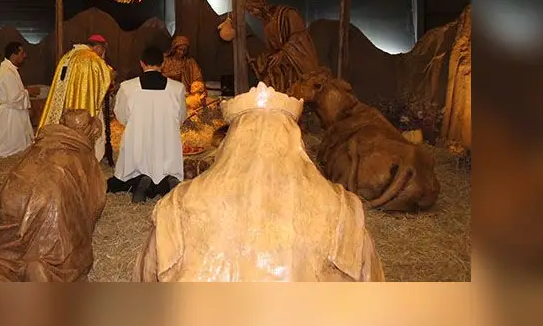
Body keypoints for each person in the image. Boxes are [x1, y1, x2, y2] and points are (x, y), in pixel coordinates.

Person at [133, 82, 385, 282]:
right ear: (295, 141)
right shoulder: (342, 211)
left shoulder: (178, 206)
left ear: (230, 141)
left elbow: (146, 287)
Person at [0, 109, 106, 282]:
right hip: (49, 198)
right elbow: (95, 202)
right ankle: (42, 268)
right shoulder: (83, 155)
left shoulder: (41, 143)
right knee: (52, 251)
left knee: (6, 246)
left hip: (14, 189)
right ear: (90, 132)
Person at [109, 46, 187, 203]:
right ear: (162, 64)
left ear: (142, 63)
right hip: (166, 145)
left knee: (122, 178)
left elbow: (121, 115)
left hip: (137, 143)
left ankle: (139, 181)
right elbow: (181, 117)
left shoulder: (127, 87)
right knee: (165, 170)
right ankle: (168, 180)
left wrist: (137, 124)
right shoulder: (177, 88)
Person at [36, 34, 114, 161]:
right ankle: (90, 159)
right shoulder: (91, 58)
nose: (102, 54)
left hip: (65, 103)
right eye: (103, 50)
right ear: (98, 47)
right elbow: (106, 75)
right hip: (84, 105)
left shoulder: (68, 56)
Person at [162, 35, 207, 111]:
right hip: (166, 93)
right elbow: (156, 76)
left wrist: (197, 85)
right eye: (180, 49)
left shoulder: (190, 63)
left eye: (184, 50)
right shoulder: (165, 60)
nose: (182, 52)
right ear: (174, 48)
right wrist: (170, 75)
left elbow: (198, 78)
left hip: (184, 94)